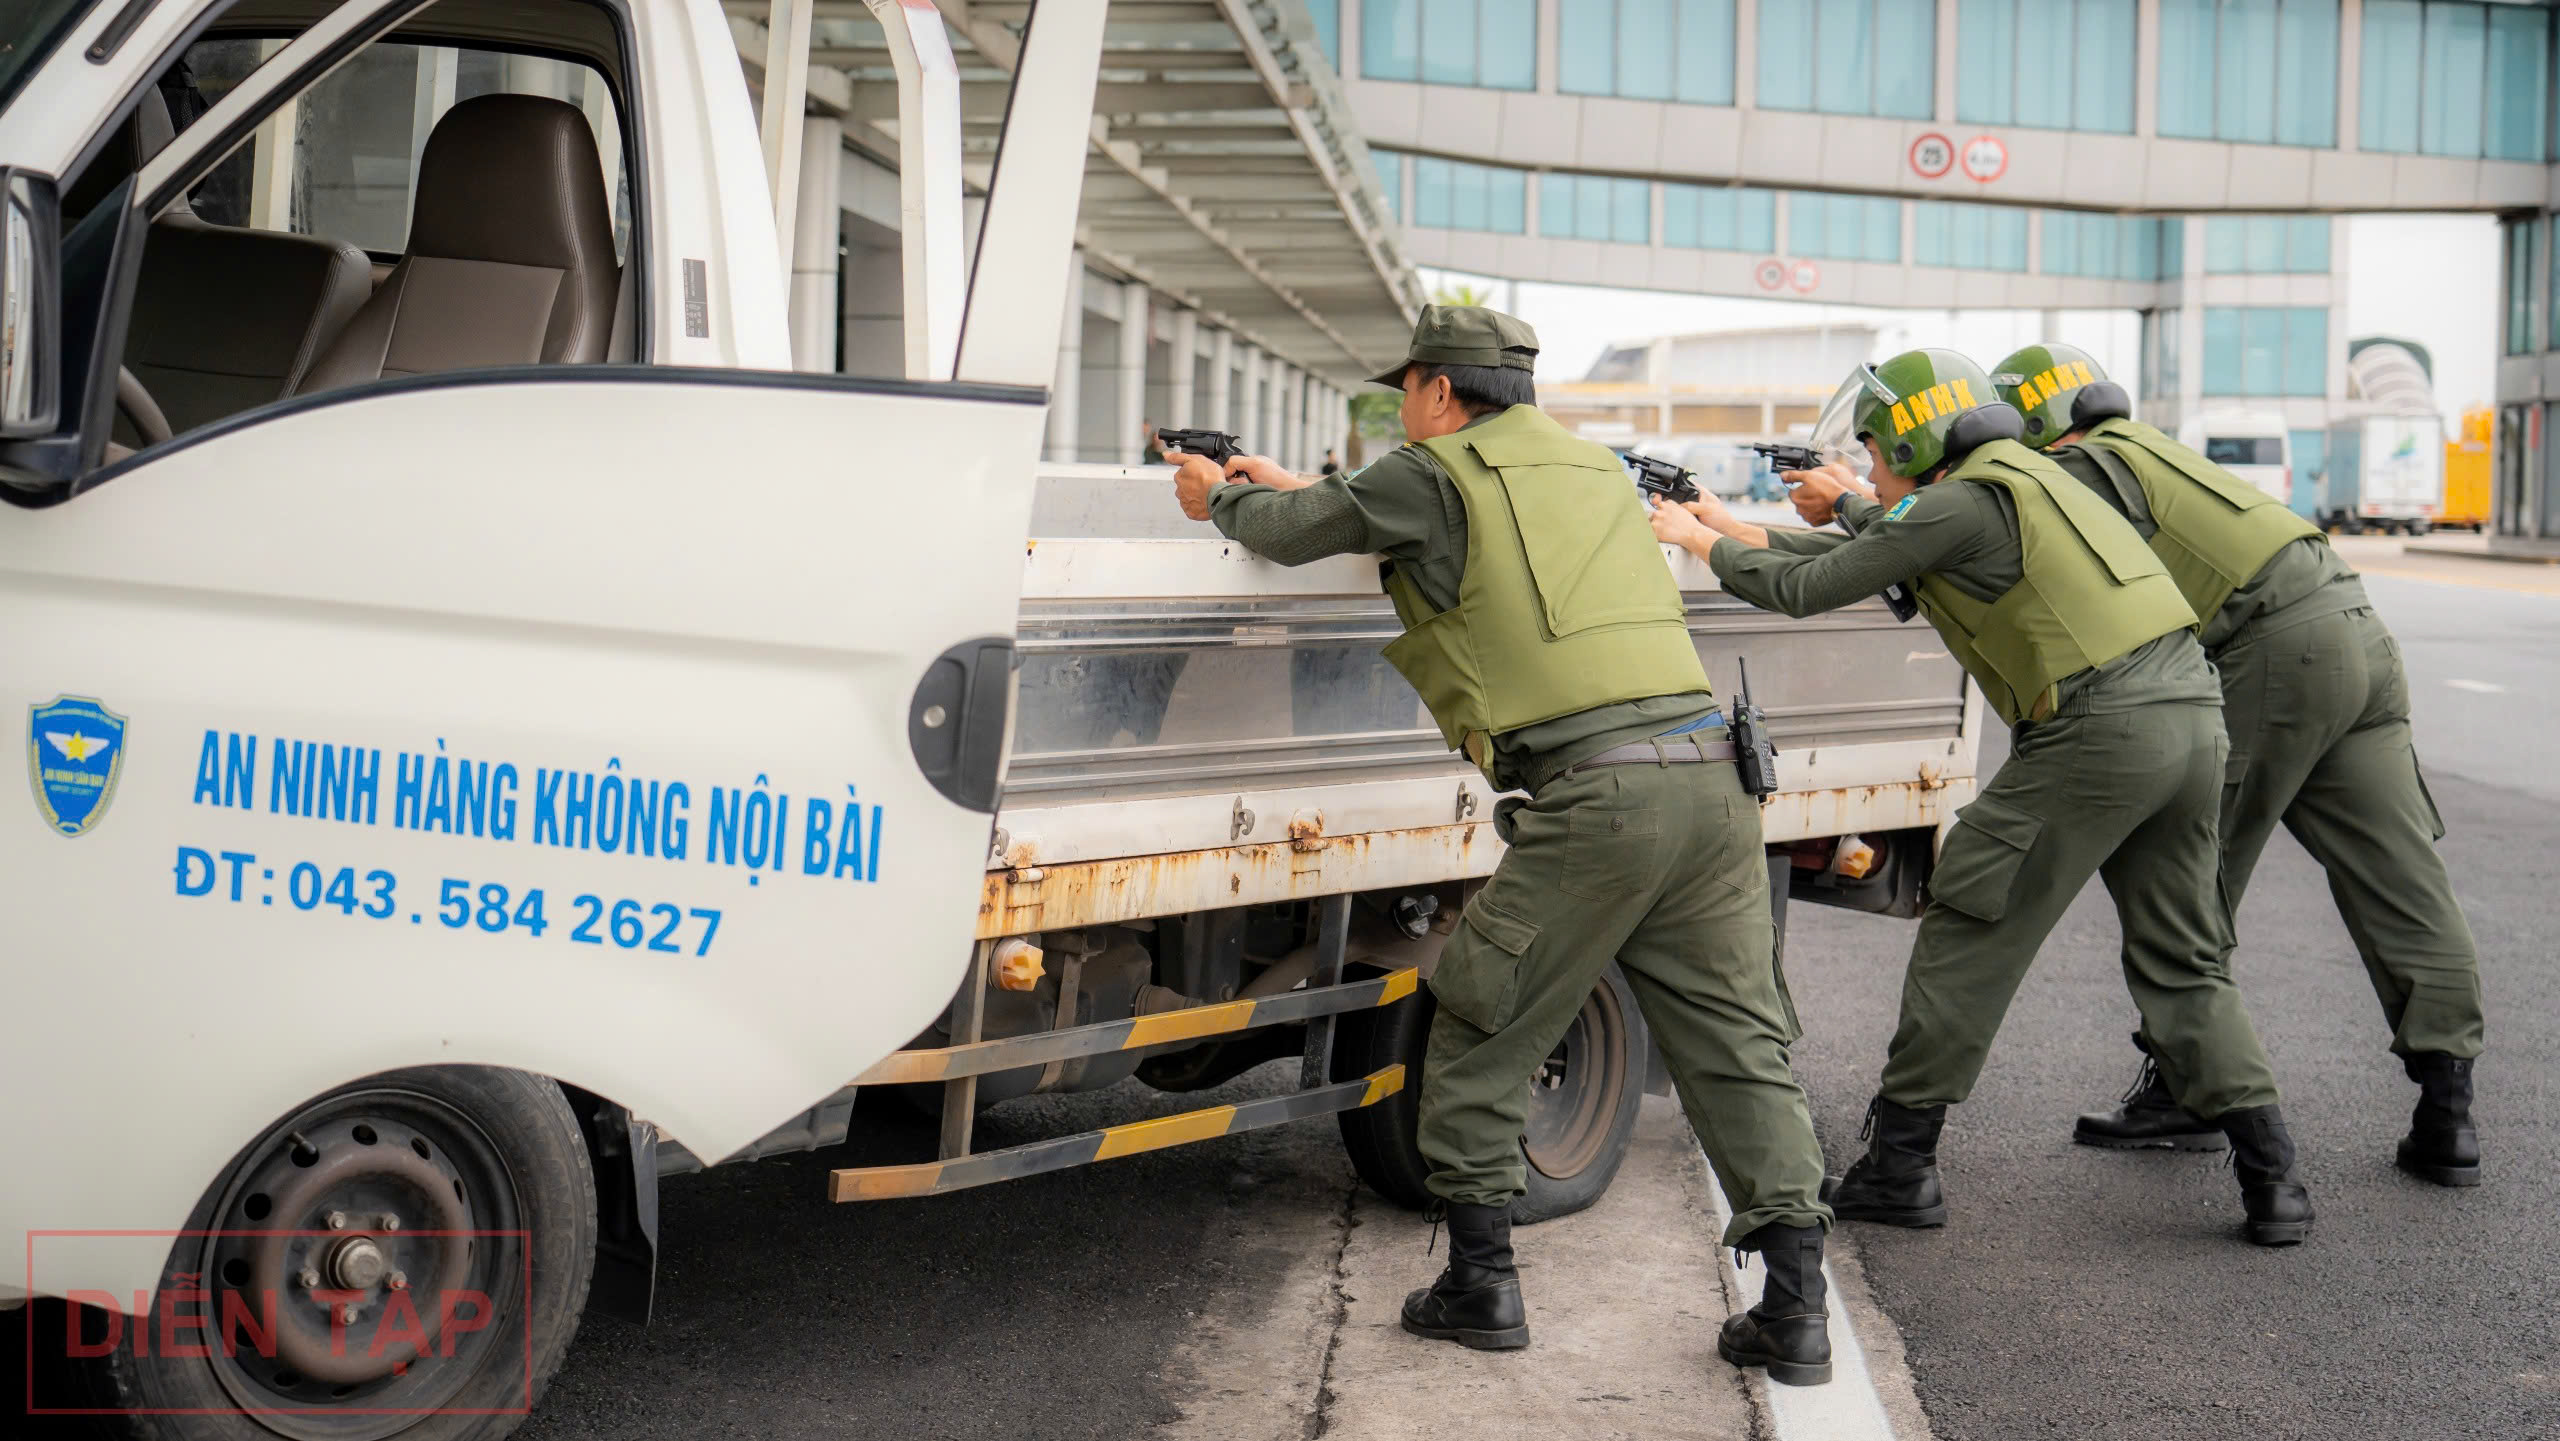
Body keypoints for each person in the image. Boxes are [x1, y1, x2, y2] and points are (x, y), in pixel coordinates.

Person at [1172, 304, 1837, 1384]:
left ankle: (1480, 1282)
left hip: (1597, 802)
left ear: (1438, 390)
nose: (1403, 410)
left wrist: (1221, 497)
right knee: (1736, 1045)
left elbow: (1293, 534)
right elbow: (1413, 523)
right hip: (1711, 783)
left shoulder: (1431, 472)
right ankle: (1796, 1310)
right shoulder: (1591, 473)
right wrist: (1291, 486)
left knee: (1484, 1018)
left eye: (1406, 391)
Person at [1648, 348, 2316, 1248]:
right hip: (2191, 715)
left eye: (1878, 451)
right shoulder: (2030, 479)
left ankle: (1902, 1164)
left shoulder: (1957, 501)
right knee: (2185, 953)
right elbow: (1880, 554)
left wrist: (1696, 541)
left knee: (1969, 924)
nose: (1872, 470)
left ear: (1918, 439)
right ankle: (2274, 1178)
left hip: (2098, 726)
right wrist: (1732, 524)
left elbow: (1814, 586)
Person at [1990, 343, 2484, 1184]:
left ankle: (2189, 1091)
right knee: (2401, 875)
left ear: (2030, 424)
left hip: (2270, 651)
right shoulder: (2161, 449)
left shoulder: (2081, 472)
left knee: (2184, 875)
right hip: (2354, 628)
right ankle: (2450, 1112)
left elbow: (1979, 528)